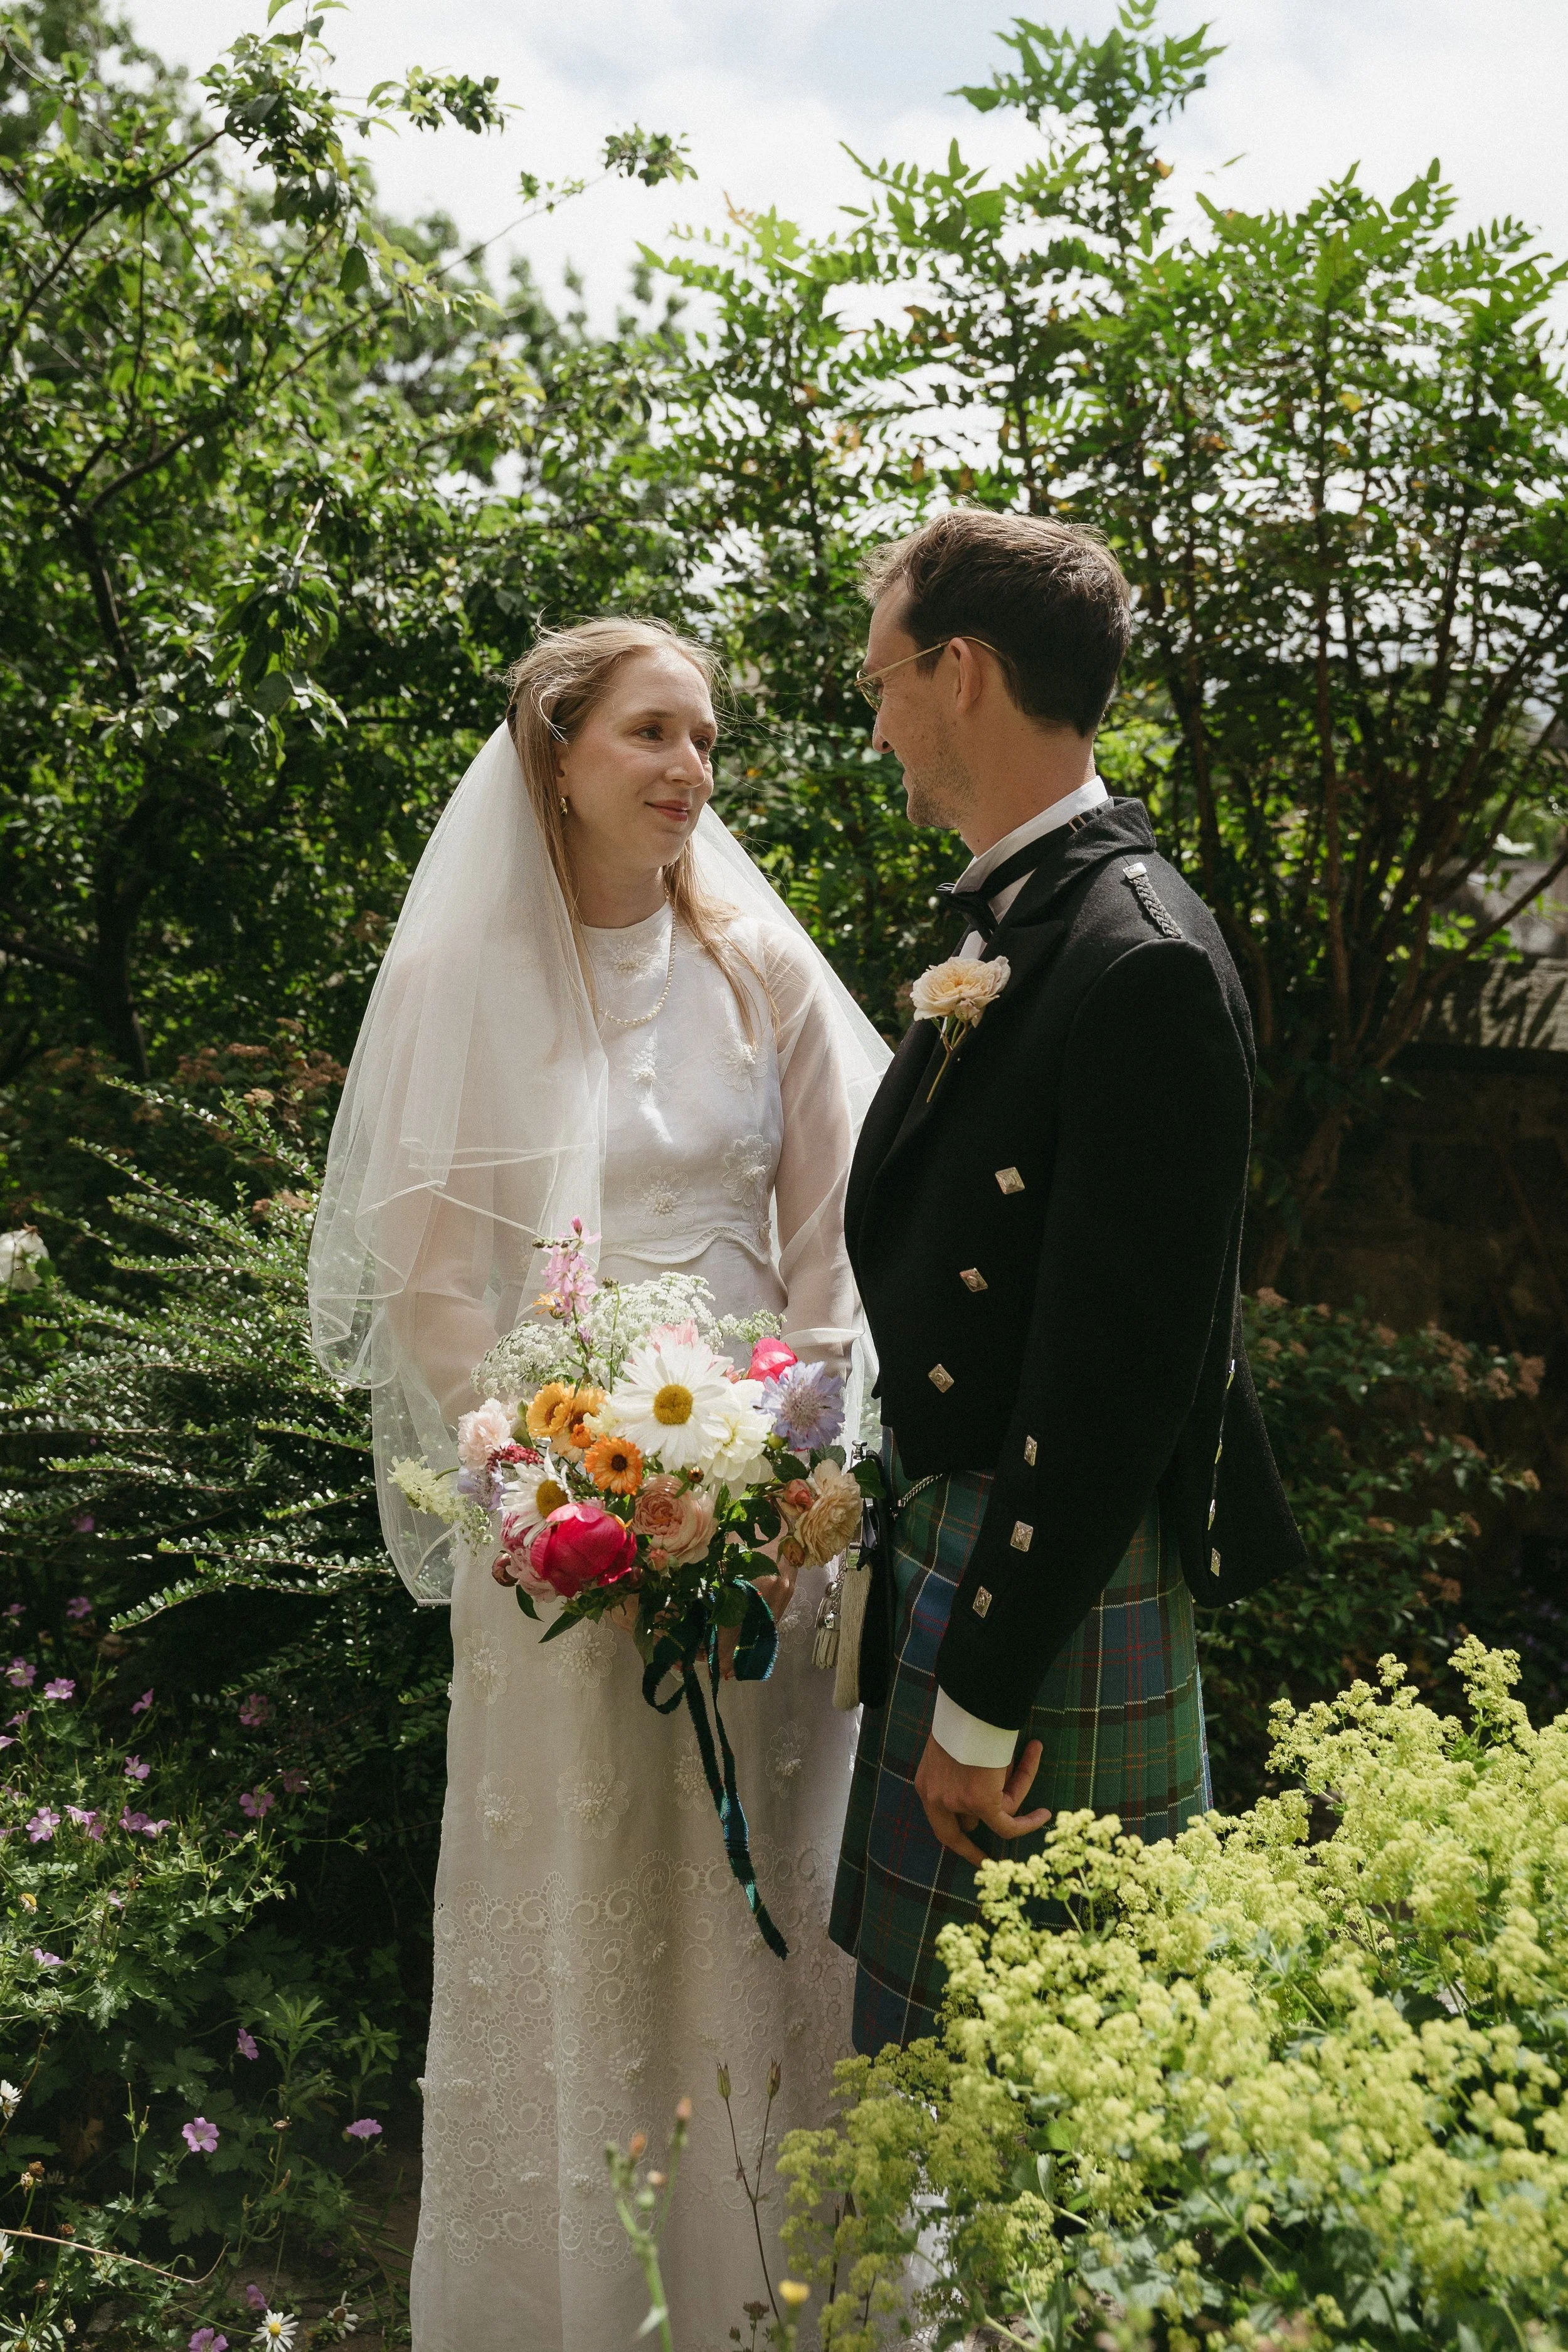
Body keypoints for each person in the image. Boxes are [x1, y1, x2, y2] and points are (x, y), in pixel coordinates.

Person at [307, 617, 890, 2349]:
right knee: (580, 1891)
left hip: (764, 1521)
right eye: (649, 732)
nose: (687, 768)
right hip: (556, 1524)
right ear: (555, 752)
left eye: (702, 737)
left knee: (762, 1895)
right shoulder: (457, 979)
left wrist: (785, 1468)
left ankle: (778, 2294)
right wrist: (522, 1473)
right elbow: (430, 1282)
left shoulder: (757, 969)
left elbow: (831, 1244)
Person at [829, 509, 1305, 2054]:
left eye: (883, 680)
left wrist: (980, 1694)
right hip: (970, 1545)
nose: (877, 723)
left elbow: (1118, 1376)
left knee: (1034, 2099)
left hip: (1043, 1581)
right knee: (932, 2094)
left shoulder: (1134, 953)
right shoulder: (1035, 915)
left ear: (960, 672)